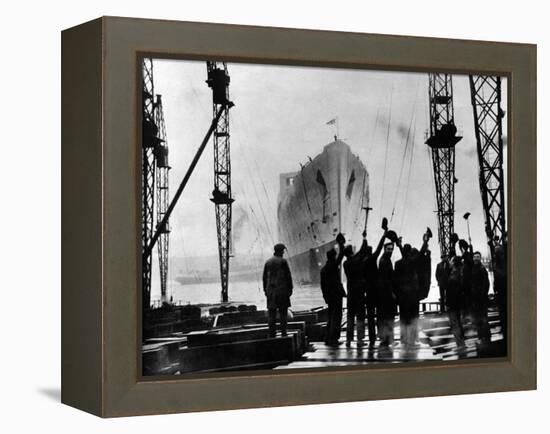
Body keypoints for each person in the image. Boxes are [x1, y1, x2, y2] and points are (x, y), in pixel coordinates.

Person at [394, 232, 429, 350]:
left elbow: (396, 281)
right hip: (413, 296)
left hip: (402, 297)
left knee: (404, 319)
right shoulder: (413, 261)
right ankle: (413, 339)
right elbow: (422, 251)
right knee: (414, 318)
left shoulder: (398, 264)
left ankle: (404, 339)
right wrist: (425, 241)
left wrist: (399, 245)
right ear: (409, 252)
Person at [262, 243, 293, 338]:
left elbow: (264, 278)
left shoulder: (268, 262)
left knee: (272, 314)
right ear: (280, 251)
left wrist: (266, 291)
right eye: (283, 251)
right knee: (283, 313)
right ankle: (284, 333)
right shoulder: (283, 262)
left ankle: (272, 334)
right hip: (282, 291)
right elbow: (288, 277)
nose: (283, 253)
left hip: (271, 292)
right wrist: (290, 289)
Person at [320, 234, 346, 346]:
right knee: (337, 316)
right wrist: (341, 243)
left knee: (330, 316)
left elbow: (322, 285)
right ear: (333, 257)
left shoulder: (323, 270)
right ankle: (333, 339)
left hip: (329, 296)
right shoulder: (334, 265)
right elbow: (342, 254)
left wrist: (325, 296)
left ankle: (327, 337)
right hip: (336, 295)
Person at [343, 243, 367, 347]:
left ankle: (348, 340)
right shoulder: (356, 261)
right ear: (352, 252)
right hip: (359, 293)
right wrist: (364, 239)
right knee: (360, 317)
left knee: (350, 317)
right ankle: (359, 340)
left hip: (350, 293)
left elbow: (359, 253)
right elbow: (363, 250)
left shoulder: (345, 263)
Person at [377, 239, 396, 349]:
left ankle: (385, 337)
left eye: (392, 249)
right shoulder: (385, 261)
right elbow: (386, 279)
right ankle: (386, 337)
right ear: (384, 249)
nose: (390, 251)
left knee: (384, 316)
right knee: (386, 316)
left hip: (384, 293)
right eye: (389, 249)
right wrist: (392, 292)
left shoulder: (385, 260)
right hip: (385, 294)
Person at [470, 251, 491, 345]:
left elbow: (486, 284)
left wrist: (483, 294)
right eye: (475, 257)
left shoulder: (482, 269)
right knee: (478, 318)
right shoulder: (474, 268)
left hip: (480, 298)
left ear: (480, 258)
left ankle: (485, 336)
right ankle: (482, 336)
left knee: (482, 318)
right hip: (475, 297)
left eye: (478, 257)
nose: (476, 258)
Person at [446, 255, 466, 348]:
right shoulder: (460, 273)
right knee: (459, 323)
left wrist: (449, 305)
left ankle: (460, 344)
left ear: (453, 263)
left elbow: (452, 293)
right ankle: (462, 343)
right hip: (459, 303)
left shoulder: (453, 276)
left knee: (455, 324)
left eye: (450, 261)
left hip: (453, 304)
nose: (449, 262)